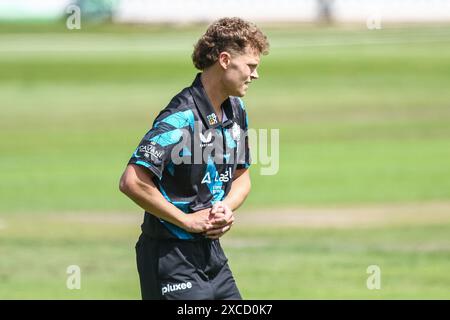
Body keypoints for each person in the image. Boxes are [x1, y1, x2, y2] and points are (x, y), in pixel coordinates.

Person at [119, 17, 269, 300]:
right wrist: (187, 221)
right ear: (225, 60)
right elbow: (132, 181)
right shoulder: (180, 118)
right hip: (170, 257)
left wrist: (225, 207)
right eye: (251, 66)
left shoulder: (236, 110)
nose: (255, 75)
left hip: (212, 256)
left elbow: (242, 176)